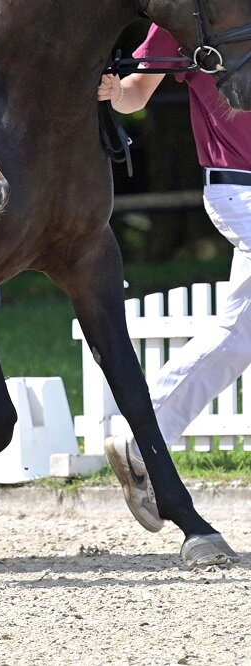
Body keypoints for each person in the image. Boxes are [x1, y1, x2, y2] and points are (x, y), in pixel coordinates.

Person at [97, 24, 251, 532]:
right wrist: (113, 91)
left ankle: (143, 439)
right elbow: (135, 93)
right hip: (239, 189)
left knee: (237, 337)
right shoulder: (184, 21)